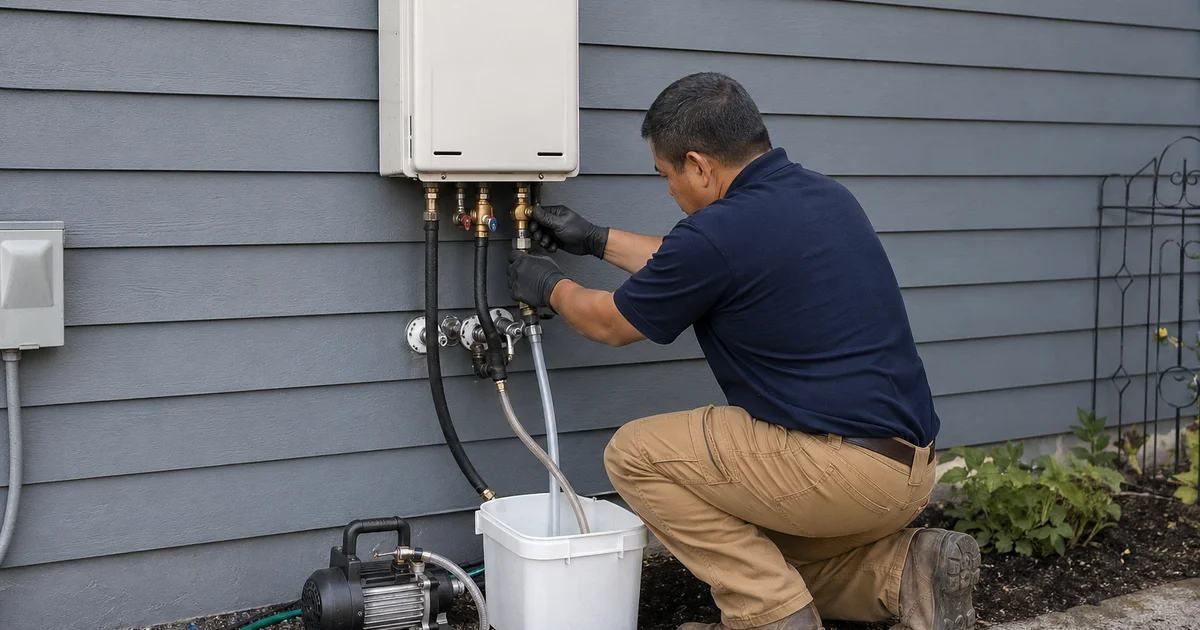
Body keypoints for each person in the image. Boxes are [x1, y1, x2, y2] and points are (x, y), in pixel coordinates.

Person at [505, 72, 980, 630]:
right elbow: (692, 264)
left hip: (840, 472)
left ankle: (768, 619)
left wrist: (549, 287)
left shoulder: (719, 233)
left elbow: (611, 322)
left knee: (635, 454)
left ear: (700, 165)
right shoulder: (823, 196)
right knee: (762, 551)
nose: (670, 191)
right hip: (906, 471)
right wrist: (594, 238)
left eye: (666, 174)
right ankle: (908, 572)